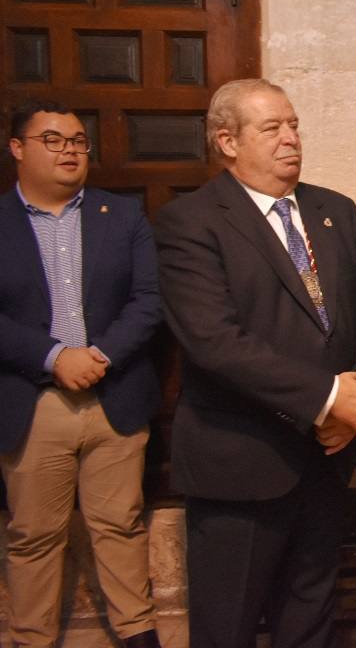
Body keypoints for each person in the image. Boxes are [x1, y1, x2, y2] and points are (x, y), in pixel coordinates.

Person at [154, 79, 356, 648]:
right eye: (272, 128)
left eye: (293, 125)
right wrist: (327, 398)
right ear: (227, 141)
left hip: (327, 457)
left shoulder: (333, 210)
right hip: (241, 461)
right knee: (227, 626)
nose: (291, 138)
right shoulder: (190, 222)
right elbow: (214, 341)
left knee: (309, 616)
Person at [1, 101, 162, 648]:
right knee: (34, 537)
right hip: (33, 401)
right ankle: (31, 639)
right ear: (18, 148)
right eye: (53, 139)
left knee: (120, 525)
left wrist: (99, 356)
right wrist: (53, 357)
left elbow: (148, 300)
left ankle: (138, 634)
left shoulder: (122, 216)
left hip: (114, 394)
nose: (70, 150)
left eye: (77, 141)